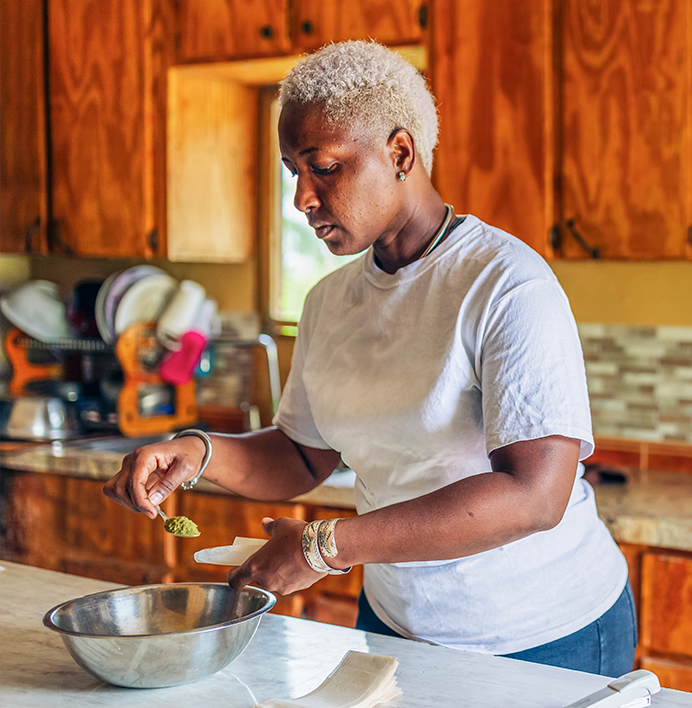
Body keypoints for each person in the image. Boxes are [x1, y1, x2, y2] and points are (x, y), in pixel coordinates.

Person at [104, 40, 635, 676]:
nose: (301, 198)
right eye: (291, 172)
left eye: (323, 166)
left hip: (542, 632)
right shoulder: (330, 300)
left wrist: (326, 548)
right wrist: (197, 451)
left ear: (400, 153)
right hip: (395, 623)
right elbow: (304, 453)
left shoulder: (505, 284)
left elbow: (534, 496)